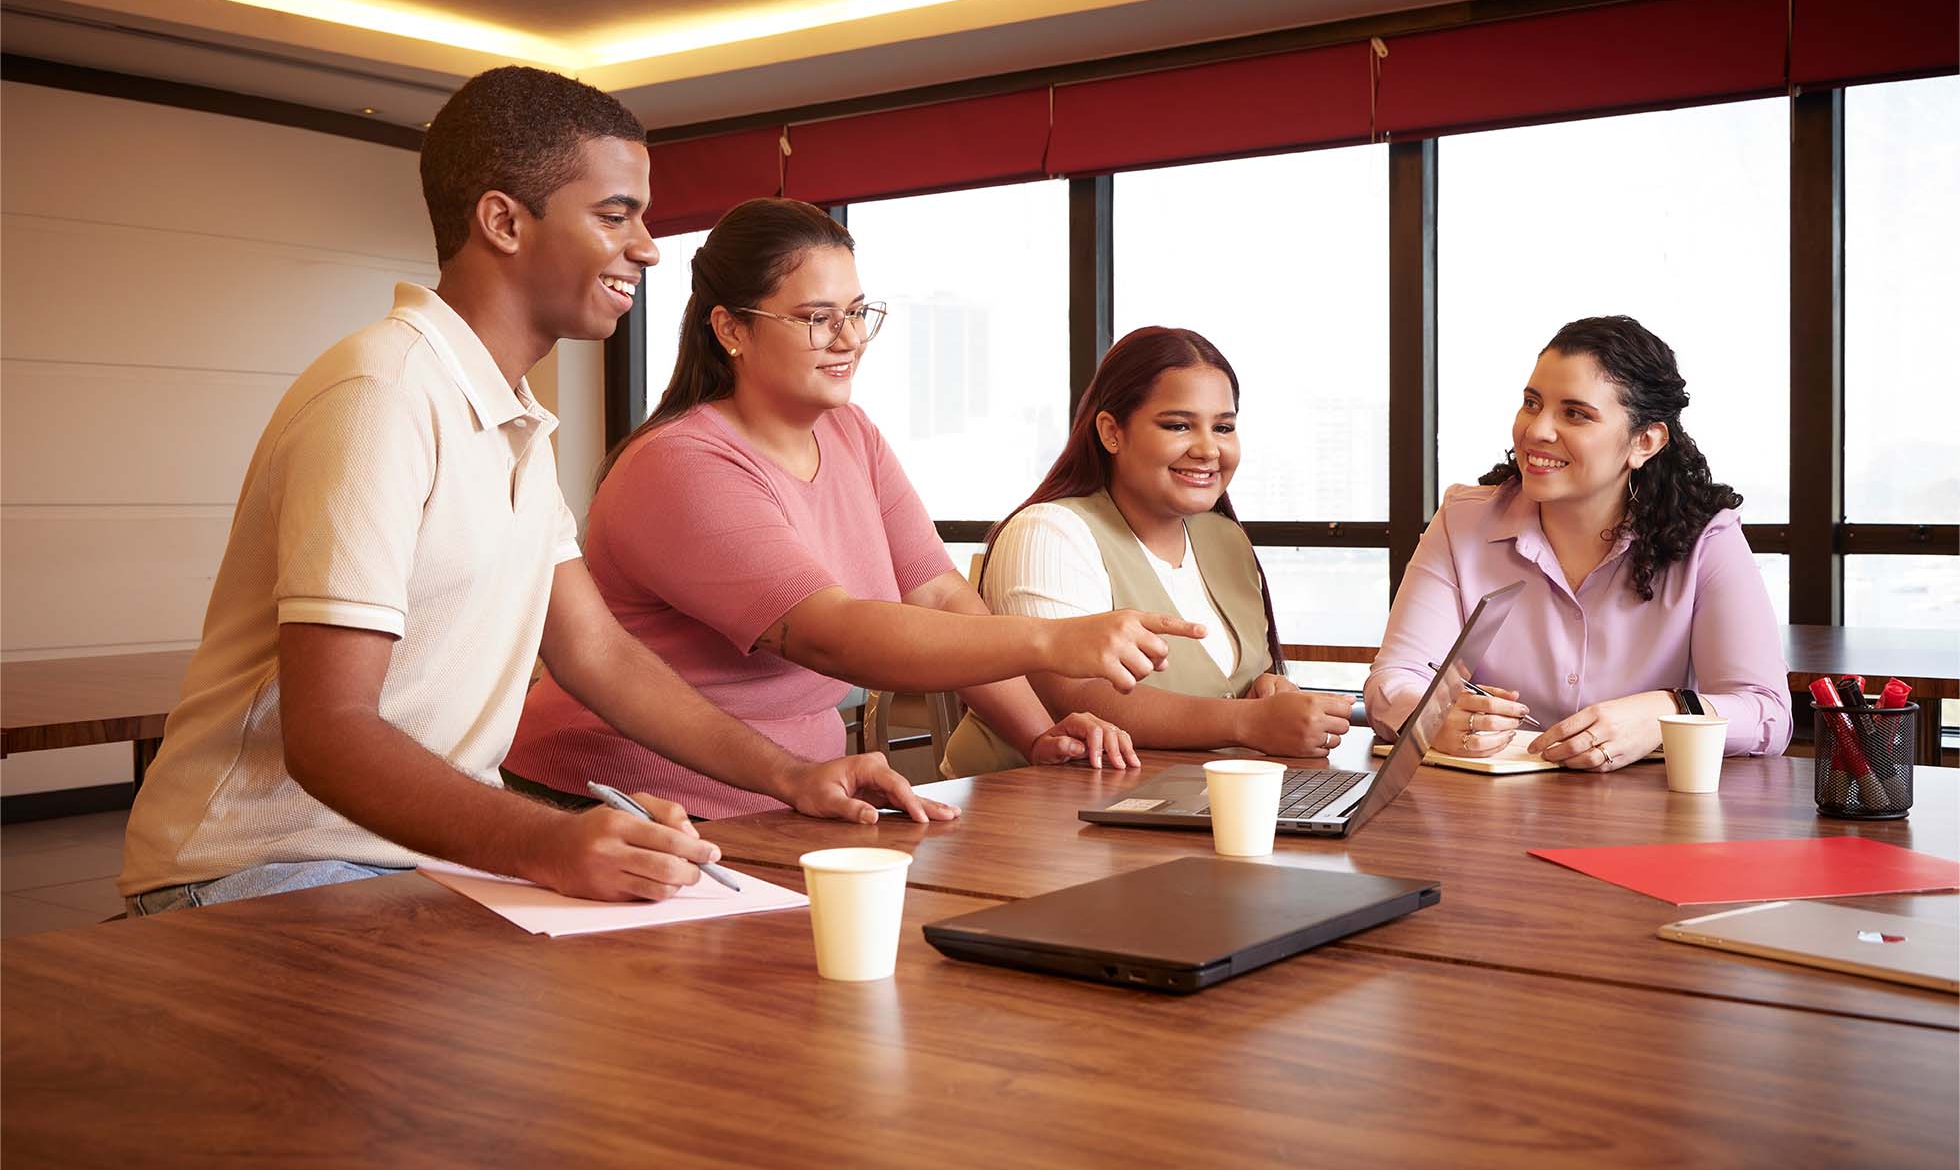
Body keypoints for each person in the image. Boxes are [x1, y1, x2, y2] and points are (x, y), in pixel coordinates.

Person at [118, 68, 954, 916]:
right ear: (504, 222)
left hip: (422, 862)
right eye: (615, 215)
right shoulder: (383, 394)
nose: (648, 248)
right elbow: (329, 732)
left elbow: (598, 653)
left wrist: (793, 775)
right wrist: (549, 842)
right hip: (262, 870)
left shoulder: (511, 416)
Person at [501, 199, 1201, 816]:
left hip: (785, 796)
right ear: (731, 329)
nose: (850, 339)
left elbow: (936, 592)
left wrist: (1036, 733)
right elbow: (830, 633)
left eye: (858, 313)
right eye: (818, 318)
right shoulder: (681, 462)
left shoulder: (850, 433)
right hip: (621, 797)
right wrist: (1052, 640)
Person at [1365, 315, 1792, 770]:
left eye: (1575, 414)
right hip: (1488, 804)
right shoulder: (1461, 522)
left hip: (1644, 808)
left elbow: (1765, 710)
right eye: (1532, 403)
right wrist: (1431, 716)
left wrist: (1664, 713)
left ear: (1645, 441)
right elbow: (1395, 679)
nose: (1537, 430)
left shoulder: (1707, 538)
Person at [940, 327, 1355, 777]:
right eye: (1178, 425)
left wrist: (1267, 691)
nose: (1208, 449)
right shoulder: (1048, 532)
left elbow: (1234, 687)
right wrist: (1247, 721)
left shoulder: (1226, 540)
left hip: (1176, 800)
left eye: (1223, 427)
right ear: (1111, 432)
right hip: (1026, 804)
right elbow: (1075, 697)